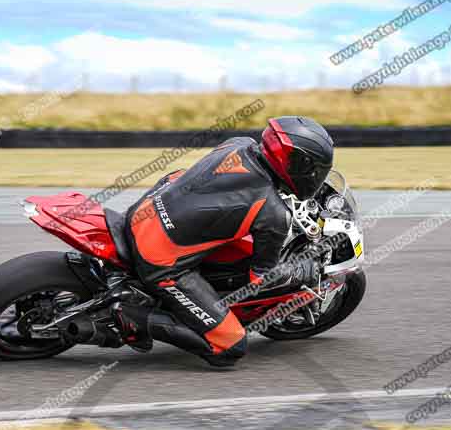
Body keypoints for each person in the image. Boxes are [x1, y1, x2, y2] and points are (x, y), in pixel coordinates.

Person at [114, 116, 334, 367]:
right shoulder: (274, 214)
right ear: (297, 164)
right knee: (231, 346)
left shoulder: (238, 144)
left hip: (142, 211)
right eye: (317, 170)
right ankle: (133, 315)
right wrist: (300, 270)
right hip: (158, 258)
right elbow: (261, 278)